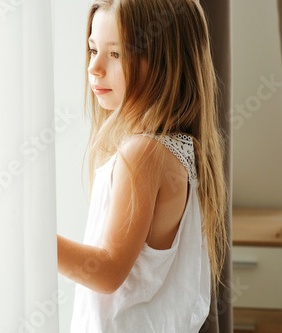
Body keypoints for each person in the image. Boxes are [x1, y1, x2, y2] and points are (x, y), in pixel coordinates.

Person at [56, 0, 228, 332]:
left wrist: (37, 242)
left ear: (164, 62)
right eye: (93, 50)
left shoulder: (143, 154)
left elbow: (107, 272)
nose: (94, 67)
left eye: (115, 54)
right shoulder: (178, 148)